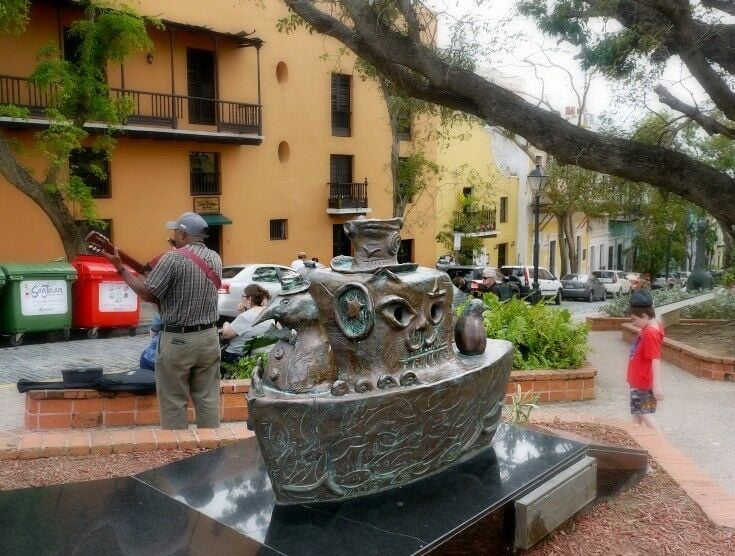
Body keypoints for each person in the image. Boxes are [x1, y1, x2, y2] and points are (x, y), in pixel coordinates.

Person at [104, 211, 223, 430]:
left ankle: (178, 455)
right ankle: (212, 452)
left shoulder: (173, 258)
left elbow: (148, 293)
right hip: (208, 338)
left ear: (183, 233)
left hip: (178, 340)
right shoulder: (215, 258)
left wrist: (120, 268)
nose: (174, 235)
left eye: (176, 231)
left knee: (173, 400)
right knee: (207, 398)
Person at [626, 290, 665, 432]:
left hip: (642, 382)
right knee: (638, 413)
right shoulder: (653, 326)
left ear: (644, 316)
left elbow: (655, 358)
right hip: (639, 380)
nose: (634, 323)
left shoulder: (650, 333)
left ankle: (661, 444)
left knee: (643, 414)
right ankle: (635, 441)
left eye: (634, 320)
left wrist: (656, 385)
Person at [220, 284, 274, 366]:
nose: (242, 299)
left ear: (250, 299)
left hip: (237, 357)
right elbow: (247, 326)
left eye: (243, 296)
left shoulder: (245, 317)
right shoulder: (270, 313)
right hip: (257, 356)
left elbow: (226, 335)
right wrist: (241, 312)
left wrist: (226, 323)